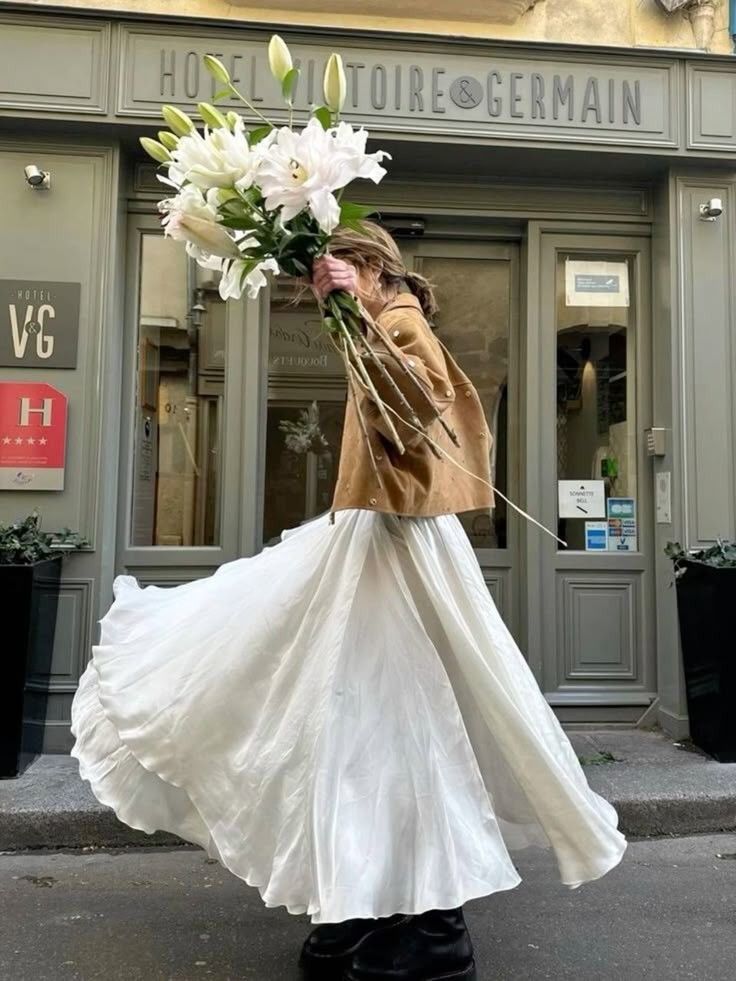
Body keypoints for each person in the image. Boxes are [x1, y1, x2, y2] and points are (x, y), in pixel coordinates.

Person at [70, 222, 627, 981]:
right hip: (378, 538)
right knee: (355, 724)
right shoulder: (380, 319)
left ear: (366, 265)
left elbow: (420, 405)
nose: (314, 290)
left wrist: (356, 318)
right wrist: (349, 318)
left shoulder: (399, 319)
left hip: (400, 545)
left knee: (396, 723)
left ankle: (431, 928)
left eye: (327, 273)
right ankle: (368, 908)